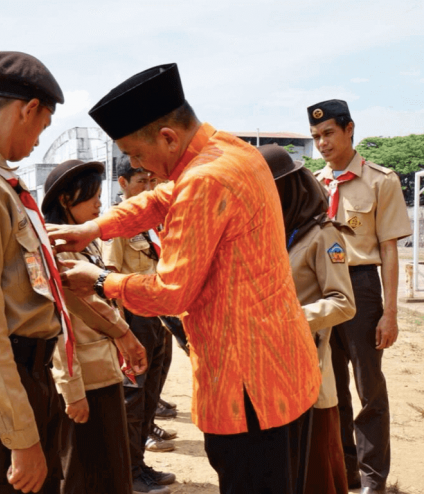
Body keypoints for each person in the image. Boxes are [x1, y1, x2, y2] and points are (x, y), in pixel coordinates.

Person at [48, 63, 322, 494]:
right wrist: (94, 229)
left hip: (246, 389)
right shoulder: (231, 150)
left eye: (136, 154)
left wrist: (100, 281)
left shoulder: (204, 180)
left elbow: (169, 292)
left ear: (168, 137)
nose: (139, 166)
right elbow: (159, 199)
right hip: (284, 369)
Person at [0, 51, 147, 494]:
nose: (36, 142)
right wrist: (21, 437)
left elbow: (45, 286)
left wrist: (117, 330)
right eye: (44, 126)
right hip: (0, 385)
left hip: (27, 376)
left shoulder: (2, 186)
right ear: (28, 110)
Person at [308, 100, 413, 494]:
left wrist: (390, 313)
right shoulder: (315, 184)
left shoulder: (379, 181)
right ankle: (346, 468)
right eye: (316, 136)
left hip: (361, 288)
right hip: (323, 291)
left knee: (369, 388)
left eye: (329, 133)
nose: (322, 143)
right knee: (330, 386)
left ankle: (373, 478)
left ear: (349, 129)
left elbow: (388, 249)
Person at [260, 144, 356, 494]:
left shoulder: (323, 235)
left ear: (288, 189)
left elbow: (343, 303)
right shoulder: (279, 236)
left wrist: (289, 318)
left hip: (310, 369)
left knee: (315, 471)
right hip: (276, 371)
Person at [42, 159, 142, 494]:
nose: (100, 203)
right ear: (65, 201)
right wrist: (71, 390)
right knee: (82, 475)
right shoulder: (54, 249)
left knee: (110, 470)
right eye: (91, 196)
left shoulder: (88, 243)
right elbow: (58, 327)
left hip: (102, 372)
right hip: (83, 380)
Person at [102, 156, 176, 494]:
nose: (148, 188)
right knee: (133, 399)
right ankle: (129, 471)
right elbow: (109, 277)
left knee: (151, 394)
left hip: (160, 317)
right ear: (122, 184)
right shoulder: (116, 223)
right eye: (140, 182)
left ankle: (140, 464)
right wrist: (122, 333)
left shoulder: (151, 222)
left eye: (151, 181)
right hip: (135, 318)